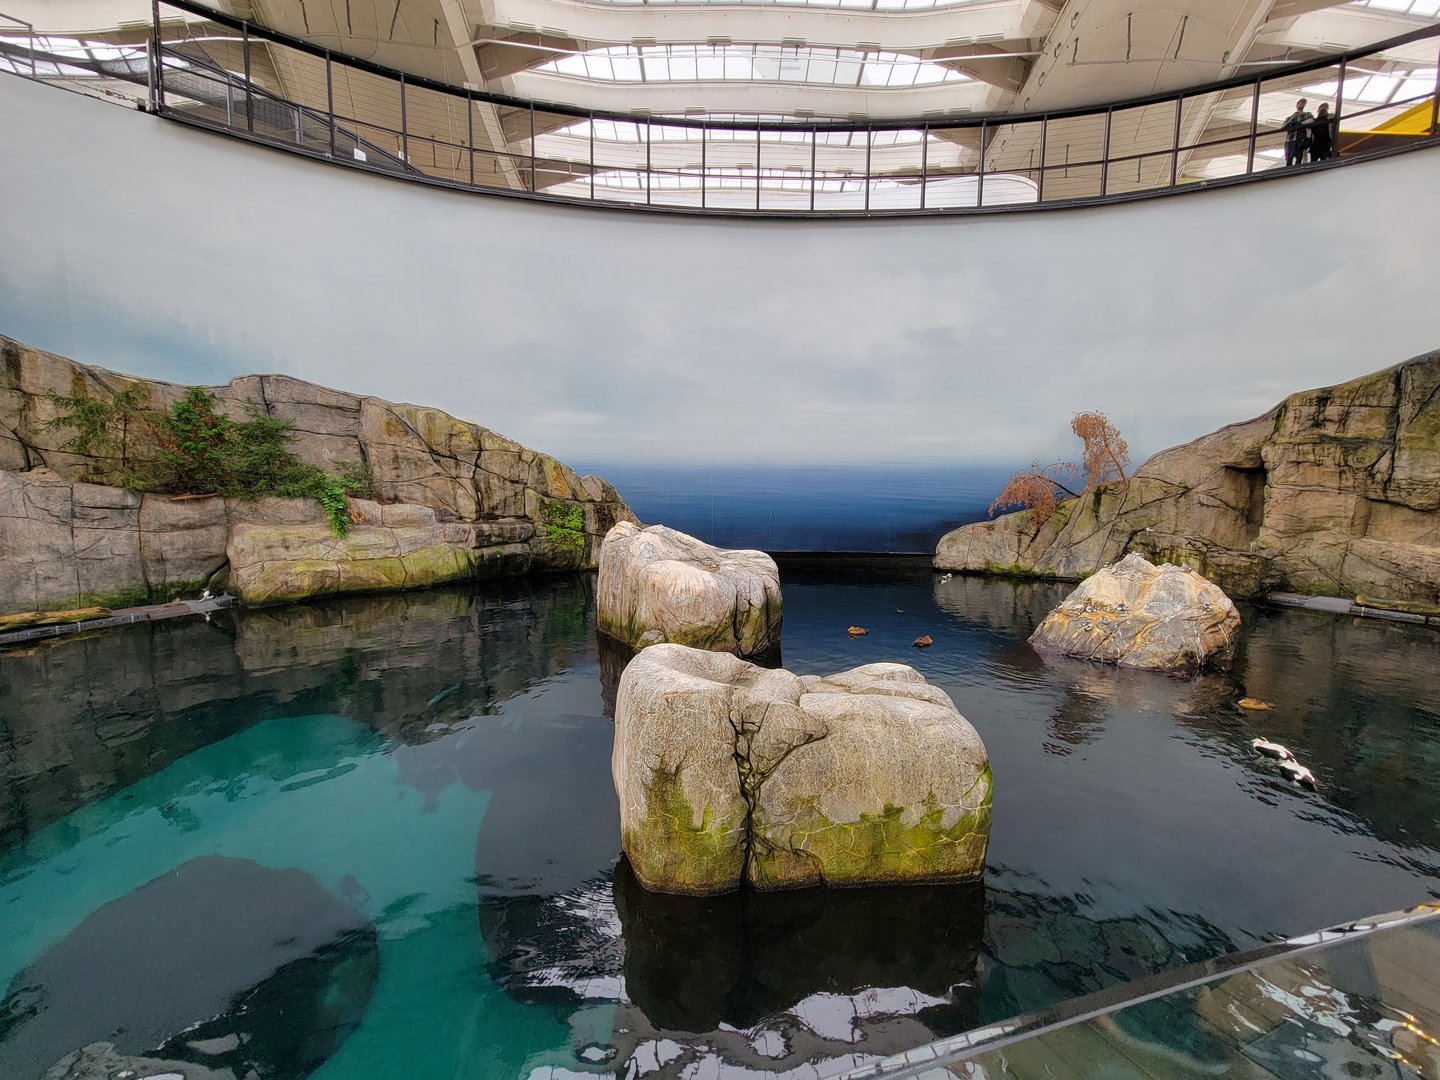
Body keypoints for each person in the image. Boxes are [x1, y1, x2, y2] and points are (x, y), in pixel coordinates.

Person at [1282, 98, 1313, 167]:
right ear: (1297, 105)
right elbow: (1283, 127)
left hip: (1301, 139)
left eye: (1303, 103)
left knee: (1299, 156)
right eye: (1300, 103)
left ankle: (1297, 167)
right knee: (1289, 157)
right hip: (1290, 140)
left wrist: (1301, 124)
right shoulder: (1289, 117)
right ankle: (1288, 169)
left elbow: (1312, 121)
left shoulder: (1307, 114)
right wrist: (1293, 117)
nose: (1301, 105)